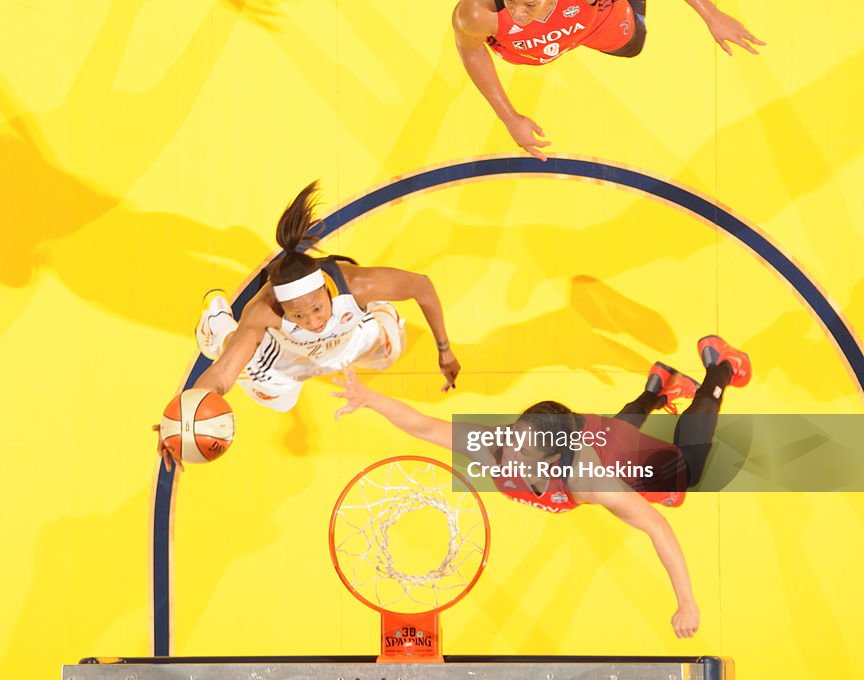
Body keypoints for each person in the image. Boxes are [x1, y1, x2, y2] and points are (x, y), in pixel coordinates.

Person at [331, 335, 752, 638]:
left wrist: (687, 602)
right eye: (512, 437)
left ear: (552, 460)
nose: (507, 453)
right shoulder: (497, 447)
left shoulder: (590, 483)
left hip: (617, 455)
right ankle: (657, 387)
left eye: (521, 451)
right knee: (613, 429)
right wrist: (371, 399)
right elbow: (423, 426)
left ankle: (721, 366)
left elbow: (657, 527)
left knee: (689, 471)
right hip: (588, 432)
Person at [157, 181, 461, 470]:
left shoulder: (357, 284)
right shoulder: (264, 311)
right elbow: (221, 376)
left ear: (326, 290)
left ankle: (372, 312)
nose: (313, 321)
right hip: (288, 349)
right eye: (298, 316)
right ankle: (217, 325)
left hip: (348, 336)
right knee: (276, 397)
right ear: (282, 306)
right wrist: (181, 420)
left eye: (317, 308)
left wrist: (444, 349)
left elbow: (422, 287)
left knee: (390, 351)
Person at [453, 0, 766, 159]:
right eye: (512, 0)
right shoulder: (478, 14)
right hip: (536, 49)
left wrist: (712, 15)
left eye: (531, 3)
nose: (519, 14)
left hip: (599, 23)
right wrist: (508, 117)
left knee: (632, 45)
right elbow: (470, 50)